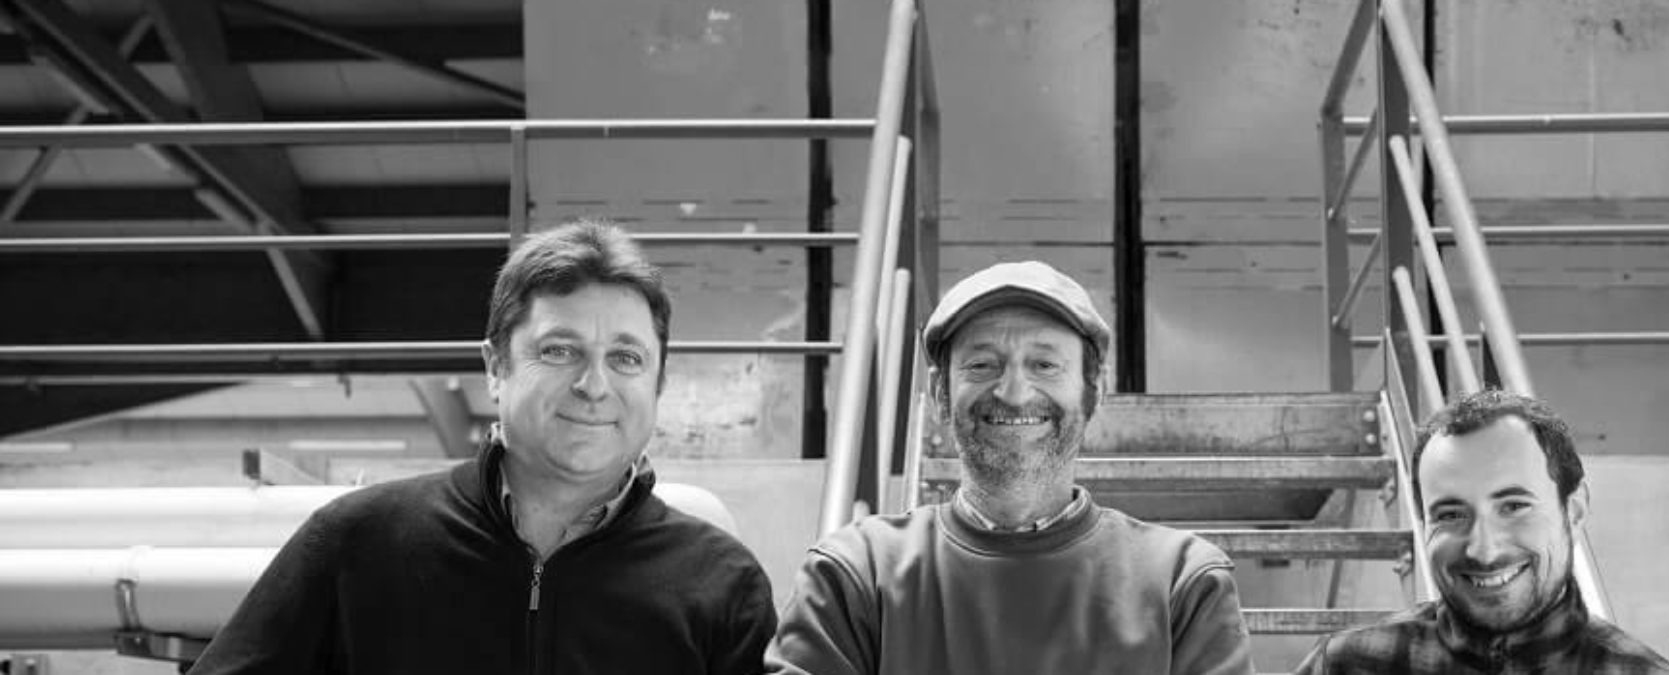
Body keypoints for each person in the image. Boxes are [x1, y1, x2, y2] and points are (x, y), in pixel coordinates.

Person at [190, 219, 777, 674]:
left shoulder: (722, 584)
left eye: (626, 358)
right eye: (559, 350)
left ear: (659, 383)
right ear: (496, 367)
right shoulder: (357, 543)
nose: (594, 386)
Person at [766, 261, 1255, 675]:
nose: (1014, 392)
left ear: (1094, 390)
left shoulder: (1181, 583)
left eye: (1045, 365)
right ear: (939, 393)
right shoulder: (857, 575)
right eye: (982, 365)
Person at [1294, 389, 1669, 674]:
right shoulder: (1345, 667)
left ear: (1574, 511)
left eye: (1513, 507)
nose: (1484, 550)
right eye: (1451, 514)